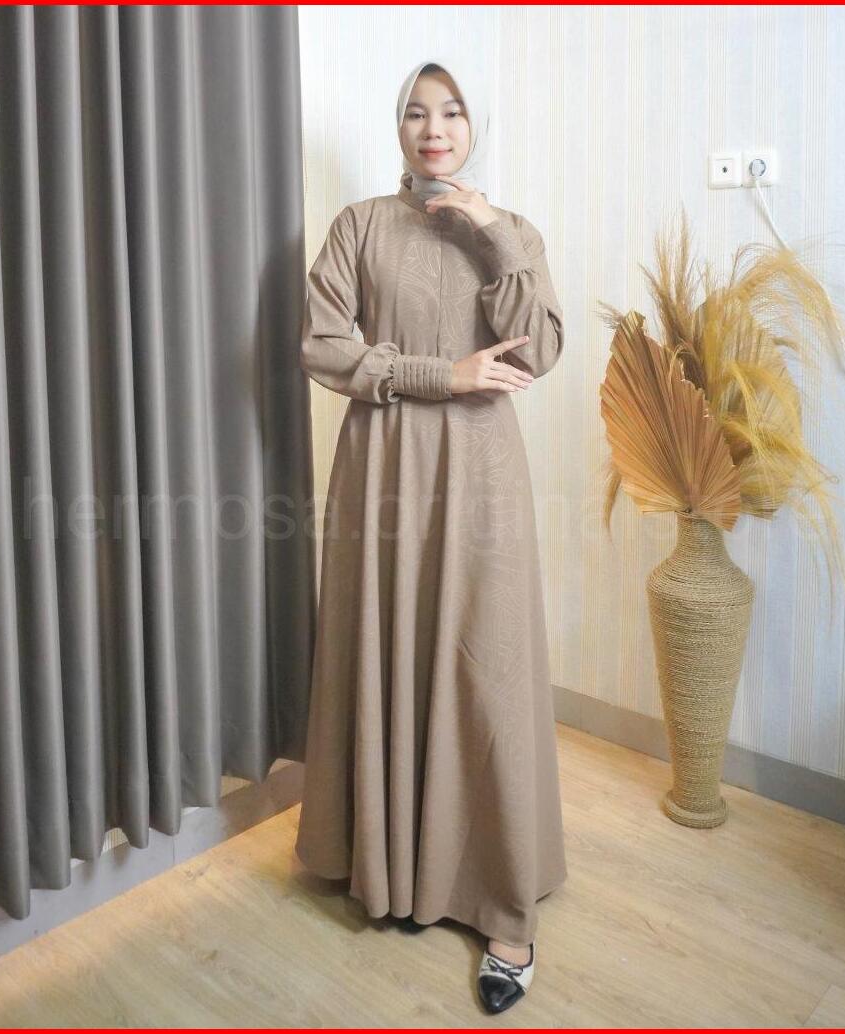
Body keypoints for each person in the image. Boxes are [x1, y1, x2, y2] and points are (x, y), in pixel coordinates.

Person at [294, 55, 568, 1015]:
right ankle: (391, 867)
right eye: (416, 112)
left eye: (451, 112)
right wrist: (437, 375)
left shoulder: (513, 232)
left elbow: (539, 346)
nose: (434, 129)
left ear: (474, 125)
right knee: (386, 650)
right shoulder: (360, 225)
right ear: (399, 126)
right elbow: (321, 344)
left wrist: (490, 231)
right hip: (381, 470)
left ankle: (504, 909)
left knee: (485, 668)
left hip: (481, 475)